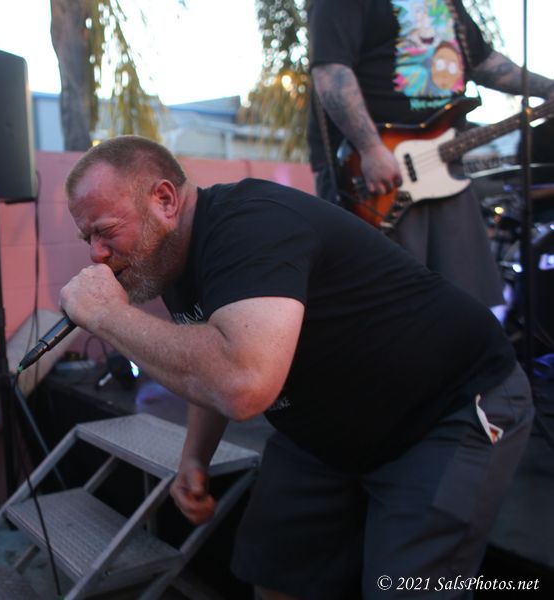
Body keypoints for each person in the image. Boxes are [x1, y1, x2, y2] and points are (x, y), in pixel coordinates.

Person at [59, 135, 534, 599]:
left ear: (164, 199)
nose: (96, 253)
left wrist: (107, 316)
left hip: (444, 409)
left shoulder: (251, 226)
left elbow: (243, 382)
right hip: (332, 425)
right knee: (274, 567)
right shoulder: (169, 257)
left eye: (105, 230)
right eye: (88, 238)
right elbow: (206, 354)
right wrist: (195, 457)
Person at [307, 0, 554, 310]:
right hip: (374, 170)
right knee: (389, 303)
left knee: (465, 302)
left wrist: (547, 88)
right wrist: (370, 147)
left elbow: (483, 62)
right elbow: (331, 70)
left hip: (444, 166)